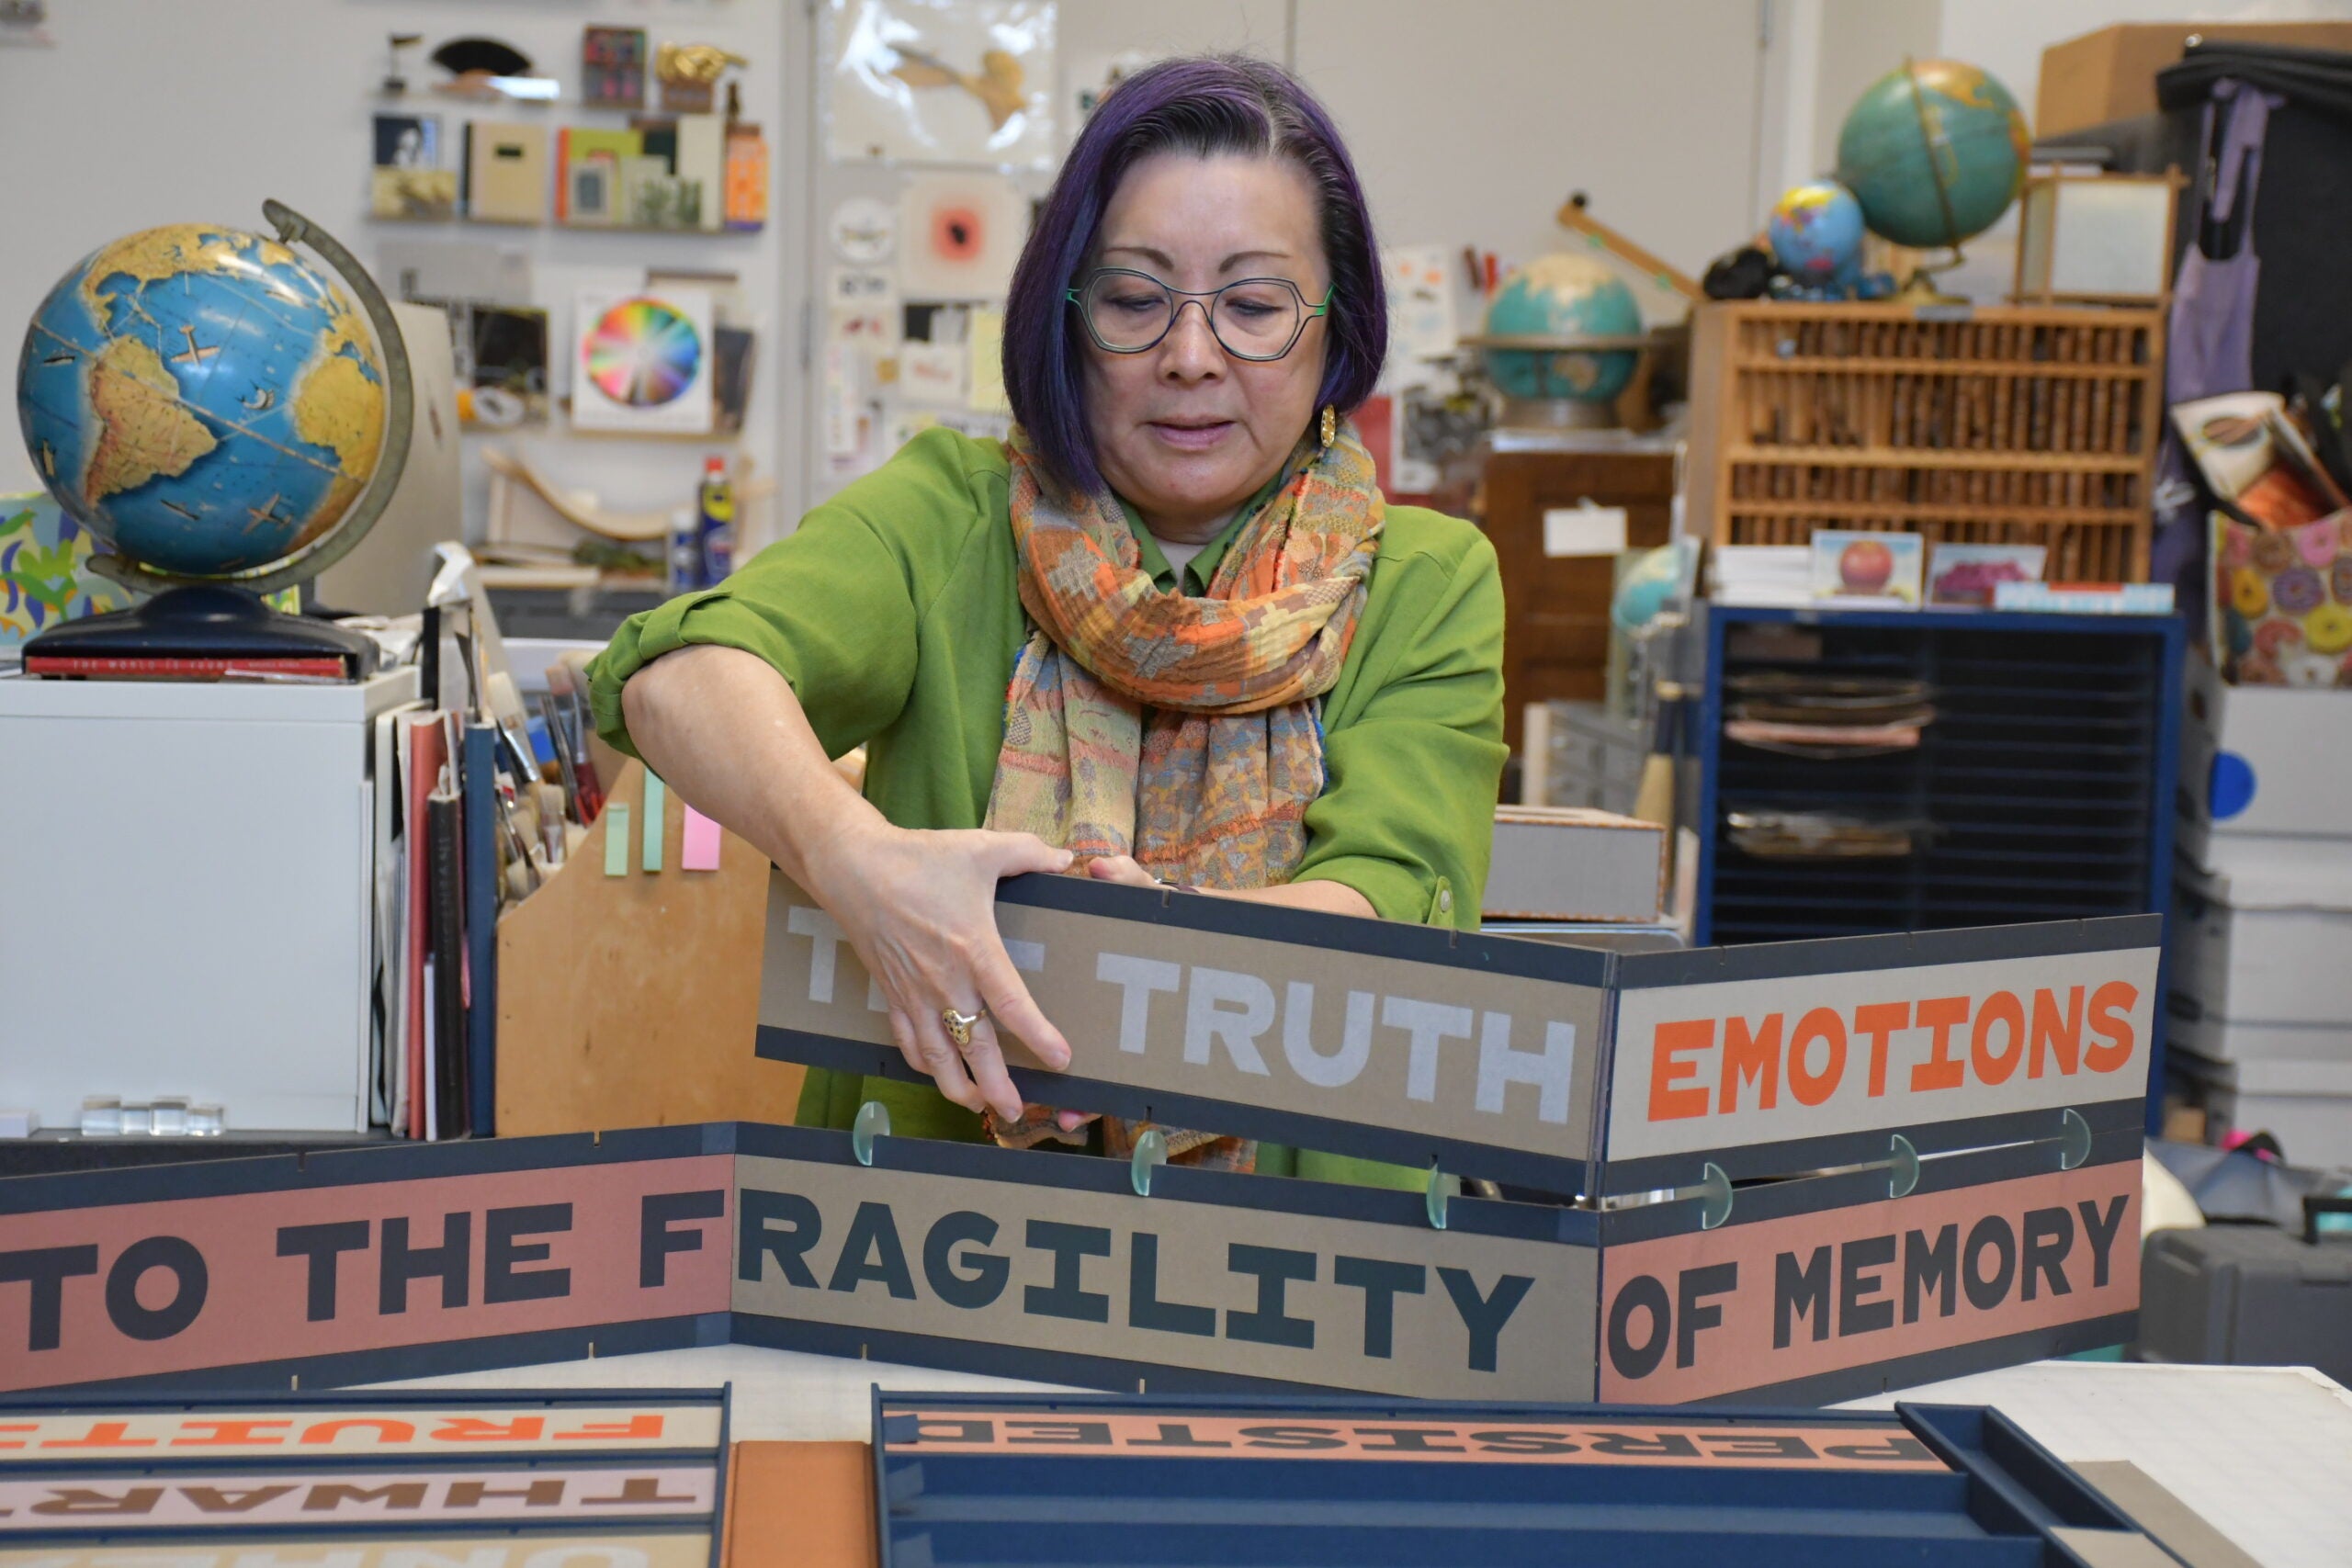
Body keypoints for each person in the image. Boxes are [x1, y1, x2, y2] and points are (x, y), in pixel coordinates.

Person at [589, 55, 1505, 1187]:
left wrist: (1148, 968)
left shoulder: (1425, 575)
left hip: (1310, 1281)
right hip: (922, 1248)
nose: (1189, 356)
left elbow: (1393, 892)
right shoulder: (956, 516)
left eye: (1255, 306)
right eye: (1133, 298)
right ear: (1065, 314)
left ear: (1336, 325)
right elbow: (675, 674)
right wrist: (855, 863)